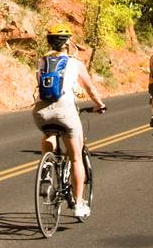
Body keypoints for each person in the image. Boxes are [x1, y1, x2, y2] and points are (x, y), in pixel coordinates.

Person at [32, 23, 106, 219]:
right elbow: (90, 88)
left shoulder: (42, 62)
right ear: (67, 44)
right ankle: (78, 204)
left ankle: (47, 169)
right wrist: (100, 105)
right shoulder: (75, 63)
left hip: (40, 112)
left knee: (49, 132)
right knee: (75, 157)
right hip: (65, 110)